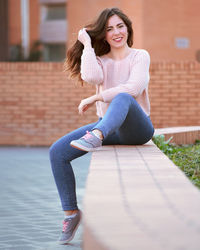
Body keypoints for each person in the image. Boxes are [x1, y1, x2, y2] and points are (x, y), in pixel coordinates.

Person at [49, 7, 154, 245]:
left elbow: (132, 89)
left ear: (128, 28)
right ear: (103, 35)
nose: (116, 32)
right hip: (107, 128)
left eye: (120, 26)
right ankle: (71, 214)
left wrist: (96, 98)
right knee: (57, 153)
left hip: (137, 129)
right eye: (109, 29)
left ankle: (96, 134)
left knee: (123, 98)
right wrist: (86, 44)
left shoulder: (140, 56)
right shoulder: (100, 61)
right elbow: (91, 77)